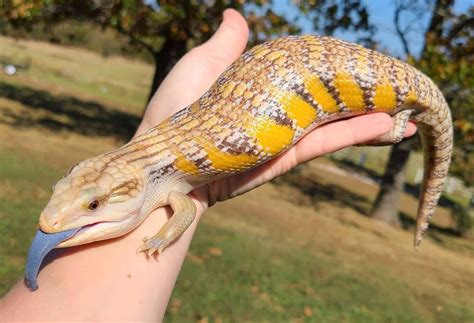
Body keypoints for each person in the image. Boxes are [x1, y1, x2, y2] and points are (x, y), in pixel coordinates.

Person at [0, 9, 416, 321]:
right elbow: (182, 207)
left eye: (91, 205)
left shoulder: (162, 175)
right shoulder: (160, 177)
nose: (52, 219)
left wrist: (161, 239)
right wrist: (157, 237)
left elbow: (180, 210)